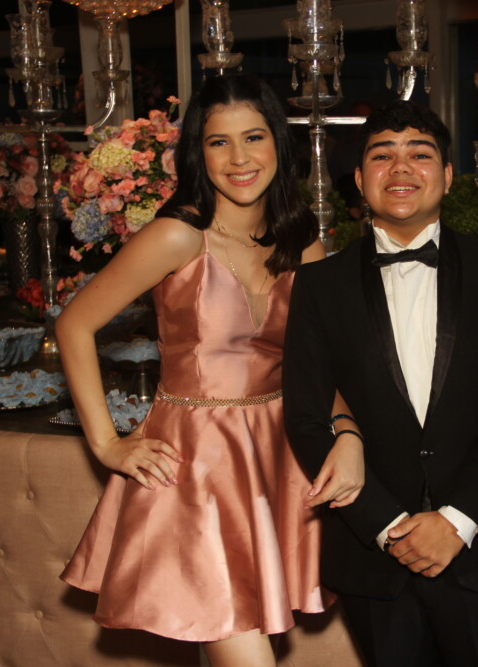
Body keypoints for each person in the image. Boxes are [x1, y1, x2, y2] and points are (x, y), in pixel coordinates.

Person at [57, 75, 364, 667]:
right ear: (198, 153)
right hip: (196, 467)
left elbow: (318, 362)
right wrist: (106, 443)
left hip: (278, 455)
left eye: (253, 137)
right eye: (219, 142)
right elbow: (74, 325)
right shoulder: (177, 236)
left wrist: (347, 432)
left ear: (278, 142)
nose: (239, 158)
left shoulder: (302, 242)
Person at [282, 100, 478, 666]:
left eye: (419, 154)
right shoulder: (318, 285)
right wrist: (388, 527)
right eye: (382, 155)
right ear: (360, 181)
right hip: (374, 559)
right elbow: (306, 415)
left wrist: (456, 522)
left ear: (447, 176)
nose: (400, 167)